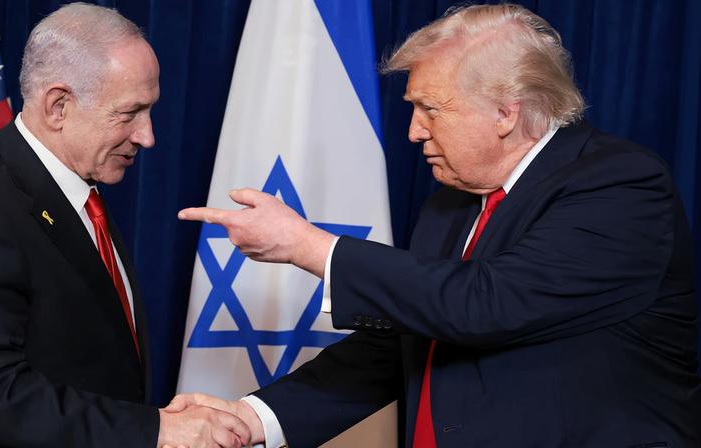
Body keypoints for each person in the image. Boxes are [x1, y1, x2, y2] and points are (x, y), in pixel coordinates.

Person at [173, 3, 700, 447]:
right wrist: (251, 418)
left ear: (505, 112)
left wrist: (308, 246)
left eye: (430, 109)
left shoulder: (620, 186)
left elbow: (488, 304)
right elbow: (398, 348)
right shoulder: (451, 205)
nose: (413, 131)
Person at [0, 3, 249, 447]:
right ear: (58, 106)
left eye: (149, 111)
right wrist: (156, 430)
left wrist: (150, 422)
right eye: (129, 113)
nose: (147, 136)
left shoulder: (79, 191)